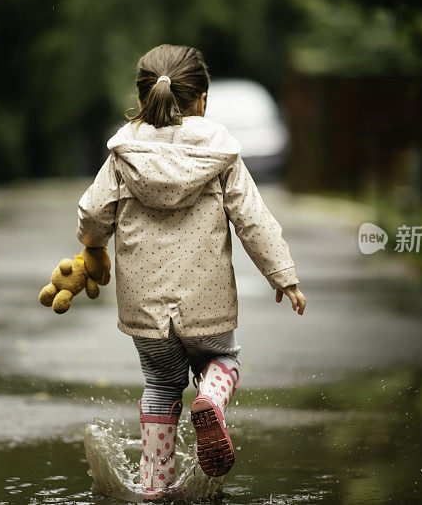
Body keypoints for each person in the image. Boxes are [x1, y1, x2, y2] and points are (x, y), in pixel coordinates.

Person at [76, 44, 306, 500]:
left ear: (143, 100)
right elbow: (253, 220)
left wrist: (93, 245)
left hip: (146, 309)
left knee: (161, 385)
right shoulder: (220, 153)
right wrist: (284, 276)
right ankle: (212, 400)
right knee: (224, 361)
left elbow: (92, 212)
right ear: (202, 99)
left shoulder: (124, 153)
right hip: (208, 302)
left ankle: (153, 486)